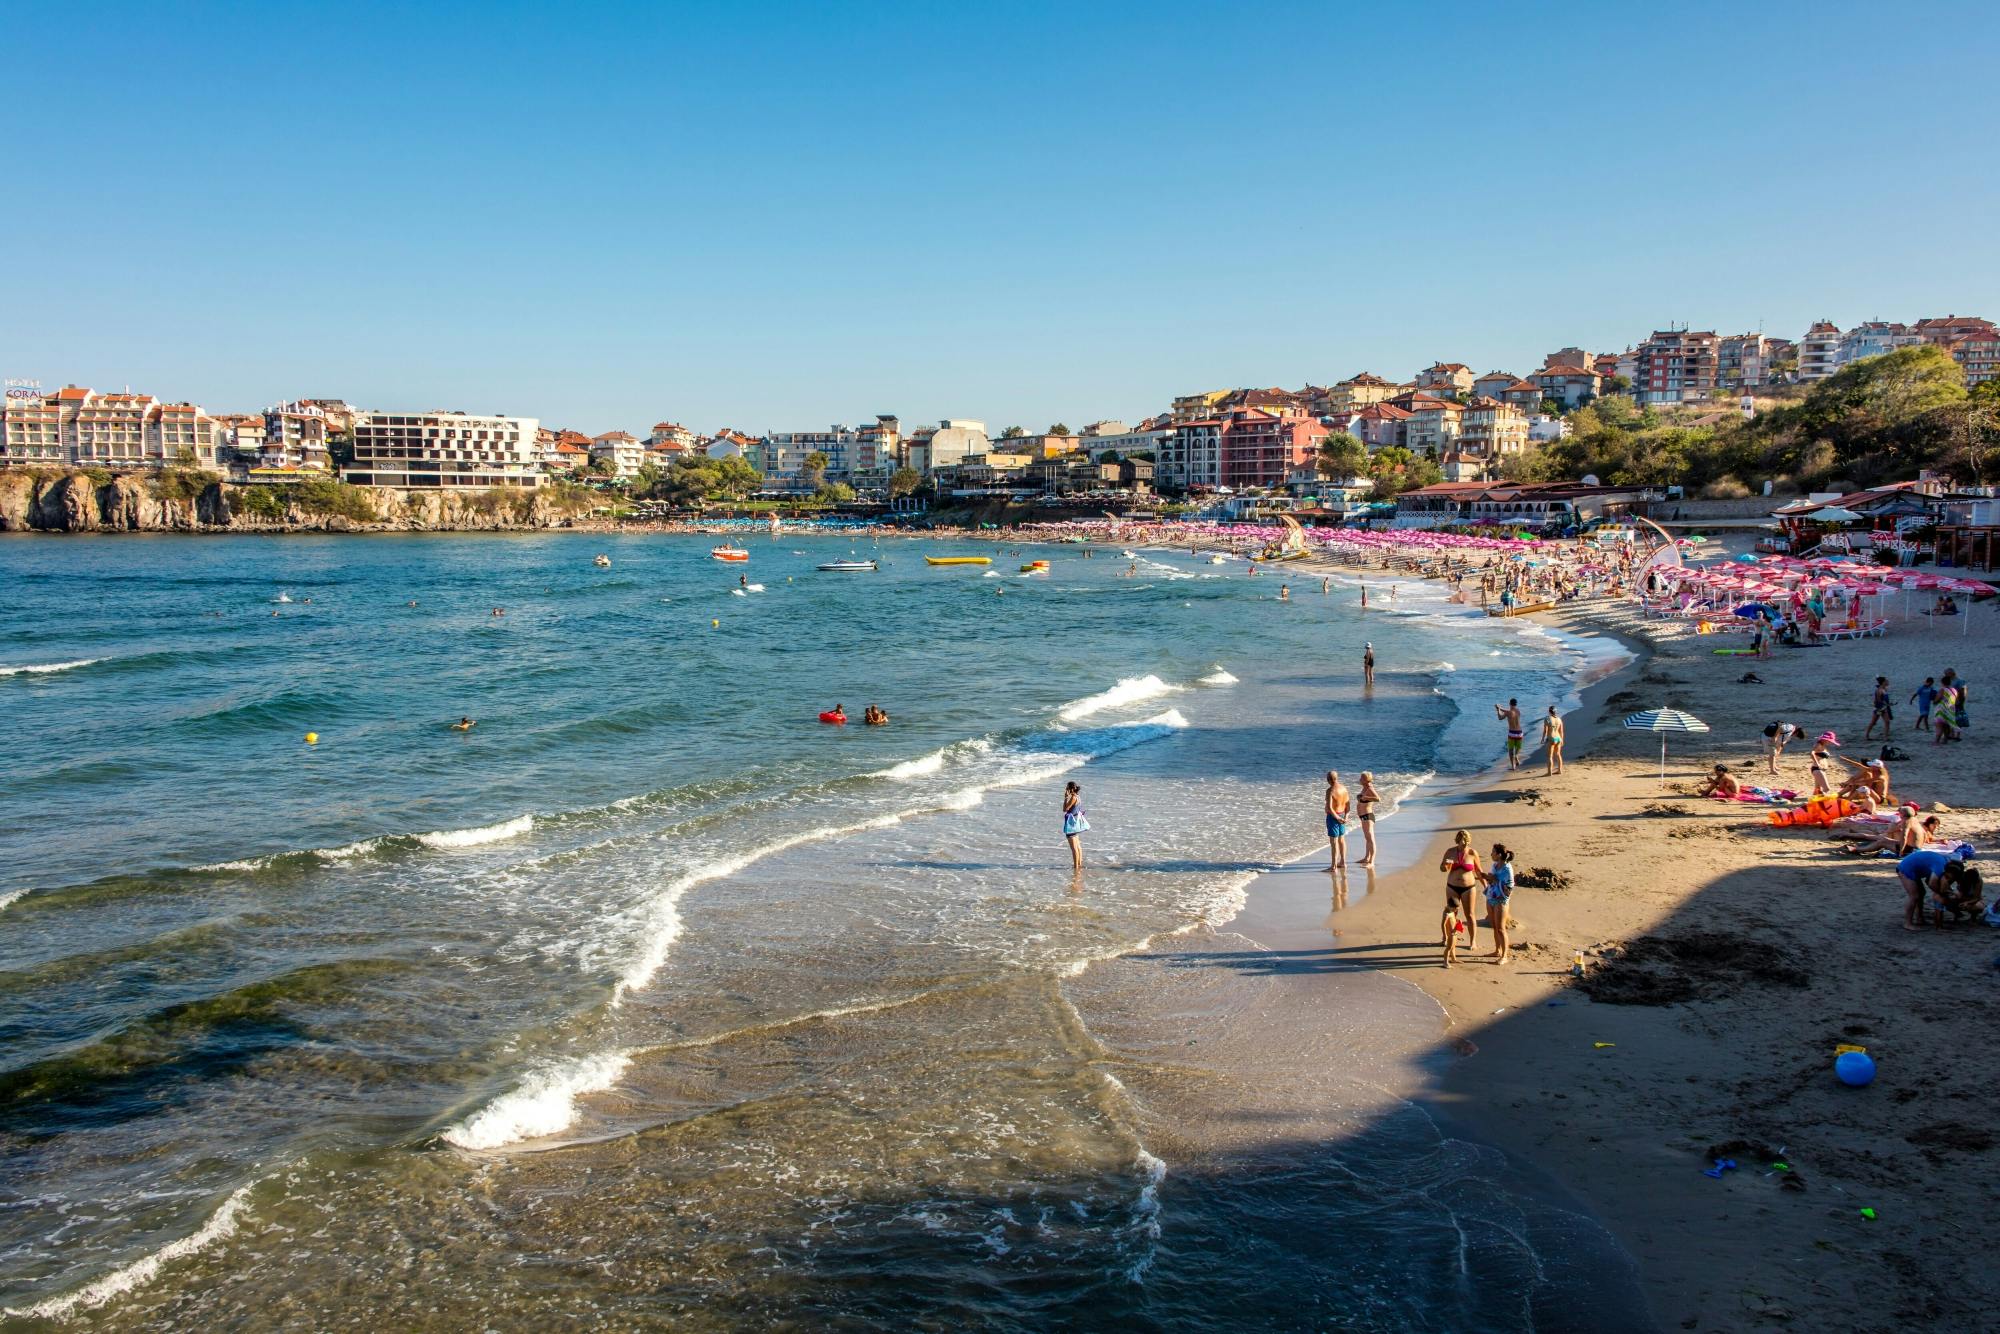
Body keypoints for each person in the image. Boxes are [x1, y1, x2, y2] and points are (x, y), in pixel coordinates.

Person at [1897, 845, 1959, 931]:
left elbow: (1928, 880)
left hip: (1913, 868)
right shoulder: (1941, 867)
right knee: (1914, 896)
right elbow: (1931, 883)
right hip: (1906, 869)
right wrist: (1941, 893)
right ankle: (1908, 923)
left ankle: (1919, 918)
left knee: (1921, 893)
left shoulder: (1944, 863)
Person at [1440, 830, 1482, 952]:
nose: (1465, 844)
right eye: (1463, 842)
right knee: (1451, 914)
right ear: (1458, 841)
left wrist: (1486, 885)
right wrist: (1446, 864)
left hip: (1468, 887)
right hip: (1452, 886)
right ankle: (1448, 937)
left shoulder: (1472, 852)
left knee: (1470, 914)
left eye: (1467, 842)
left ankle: (1473, 941)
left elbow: (1478, 871)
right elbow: (1442, 868)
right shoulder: (1450, 852)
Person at [1482, 844, 1517, 964]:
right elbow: (1491, 880)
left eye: (1493, 852)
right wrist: (1485, 877)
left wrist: (1494, 879)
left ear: (1499, 854)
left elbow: (1509, 889)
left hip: (1501, 900)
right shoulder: (1494, 865)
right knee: (1494, 927)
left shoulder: (1507, 869)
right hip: (1490, 897)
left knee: (1501, 928)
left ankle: (1504, 956)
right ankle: (1497, 950)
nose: (1491, 854)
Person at [1323, 770, 1351, 870]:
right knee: (1342, 840)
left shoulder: (1330, 791)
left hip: (1333, 817)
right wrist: (1345, 817)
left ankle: (1333, 866)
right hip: (1342, 815)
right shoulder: (1344, 789)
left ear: (1328, 779)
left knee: (1334, 842)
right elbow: (1348, 805)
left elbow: (1330, 808)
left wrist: (1337, 818)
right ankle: (1343, 862)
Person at [1354, 771, 1380, 867]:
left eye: (1362, 778)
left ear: (1366, 780)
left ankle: (1371, 862)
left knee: (1370, 839)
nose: (1360, 779)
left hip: (1368, 816)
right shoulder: (1364, 787)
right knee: (1367, 838)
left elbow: (1378, 798)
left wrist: (1365, 797)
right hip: (1364, 816)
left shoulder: (1369, 788)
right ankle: (1366, 858)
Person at [1062, 781, 1088, 871]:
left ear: (1071, 789)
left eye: (1067, 788)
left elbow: (1065, 809)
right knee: (1078, 846)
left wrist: (1066, 798)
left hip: (1071, 824)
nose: (1066, 790)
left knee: (1074, 849)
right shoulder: (1078, 797)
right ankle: (1079, 864)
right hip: (1076, 822)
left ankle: (1076, 868)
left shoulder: (1073, 797)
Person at [1494, 698, 1524, 770]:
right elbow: (1510, 712)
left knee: (1511, 750)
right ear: (1516, 704)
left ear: (1510, 703)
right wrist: (1500, 709)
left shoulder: (1508, 712)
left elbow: (1500, 718)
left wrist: (1498, 709)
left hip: (1512, 733)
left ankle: (1513, 766)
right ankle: (1516, 756)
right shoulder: (1518, 711)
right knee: (1518, 747)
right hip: (1519, 732)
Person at [1807, 732, 1838, 796]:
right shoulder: (1818, 745)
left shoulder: (1823, 746)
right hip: (1818, 769)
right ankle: (1821, 799)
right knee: (1826, 789)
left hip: (1819, 769)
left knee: (1817, 790)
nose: (1830, 742)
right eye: (1829, 741)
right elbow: (1811, 753)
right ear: (1825, 740)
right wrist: (1817, 763)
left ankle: (1814, 800)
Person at [1864, 676, 1892, 741]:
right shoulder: (1879, 690)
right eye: (1886, 681)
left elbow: (1884, 699)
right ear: (1883, 682)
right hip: (1879, 709)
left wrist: (1888, 704)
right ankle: (1866, 735)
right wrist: (1886, 704)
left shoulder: (1884, 689)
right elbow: (1878, 700)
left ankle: (1886, 737)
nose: (1888, 682)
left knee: (1887, 721)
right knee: (1873, 722)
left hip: (1883, 708)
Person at [1541, 705, 1565, 775]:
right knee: (1558, 754)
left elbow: (1545, 730)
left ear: (1549, 711)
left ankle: (1549, 772)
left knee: (1549, 756)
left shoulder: (1547, 718)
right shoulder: (1559, 719)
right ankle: (1559, 770)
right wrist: (1562, 740)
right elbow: (1561, 731)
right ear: (1555, 712)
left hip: (1551, 738)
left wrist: (1542, 738)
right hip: (1558, 738)